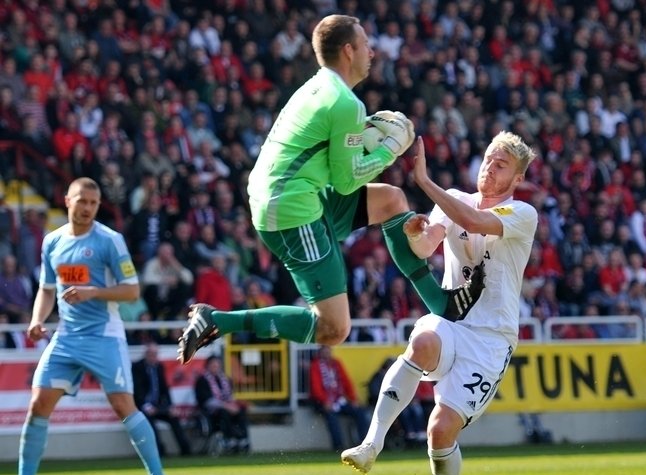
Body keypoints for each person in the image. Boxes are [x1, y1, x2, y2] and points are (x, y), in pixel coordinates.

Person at [177, 14, 484, 364]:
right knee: (334, 329)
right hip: (292, 210)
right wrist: (388, 150)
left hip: (290, 195)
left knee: (392, 200)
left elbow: (332, 161)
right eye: (365, 44)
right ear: (349, 51)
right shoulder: (345, 103)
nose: (372, 51)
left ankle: (440, 303)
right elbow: (347, 180)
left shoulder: (318, 87)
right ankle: (217, 320)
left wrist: (367, 141)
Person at [341, 132, 538, 475]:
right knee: (423, 342)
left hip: (491, 339)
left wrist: (424, 181)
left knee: (440, 429)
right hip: (452, 320)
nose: (489, 168)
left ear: (517, 178)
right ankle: (372, 443)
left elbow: (475, 223)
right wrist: (416, 233)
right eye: (488, 159)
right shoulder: (455, 199)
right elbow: (425, 245)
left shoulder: (522, 213)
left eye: (501, 165)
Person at [0, 177, 173, 475]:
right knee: (38, 404)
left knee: (123, 406)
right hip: (66, 337)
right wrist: (37, 320)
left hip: (104, 335)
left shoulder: (110, 240)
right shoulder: (52, 241)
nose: (87, 208)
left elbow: (132, 290)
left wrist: (94, 292)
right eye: (82, 201)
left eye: (93, 203)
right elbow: (47, 289)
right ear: (68, 200)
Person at [132, 342, 192, 456]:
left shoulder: (159, 367)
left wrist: (170, 406)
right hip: (142, 407)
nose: (153, 357)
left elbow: (165, 389)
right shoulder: (137, 367)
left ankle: (186, 450)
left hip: (157, 405)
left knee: (174, 417)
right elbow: (137, 390)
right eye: (151, 354)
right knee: (150, 423)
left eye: (155, 354)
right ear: (146, 354)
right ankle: (159, 451)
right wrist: (146, 406)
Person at [309, 345, 369, 451]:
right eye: (324, 351)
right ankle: (338, 446)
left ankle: (364, 443)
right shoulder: (315, 365)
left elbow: (346, 382)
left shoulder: (336, 364)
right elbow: (316, 387)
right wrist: (325, 401)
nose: (327, 353)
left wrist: (353, 399)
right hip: (323, 402)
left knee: (360, 412)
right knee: (332, 416)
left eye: (328, 351)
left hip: (339, 400)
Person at [194, 355, 250, 454]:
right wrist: (227, 406)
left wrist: (233, 405)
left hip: (226, 409)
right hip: (211, 413)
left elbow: (229, 396)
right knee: (224, 412)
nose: (216, 367)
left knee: (240, 411)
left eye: (217, 365)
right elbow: (207, 401)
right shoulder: (202, 380)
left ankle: (243, 439)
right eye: (213, 365)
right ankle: (229, 440)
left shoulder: (224, 379)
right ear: (208, 366)